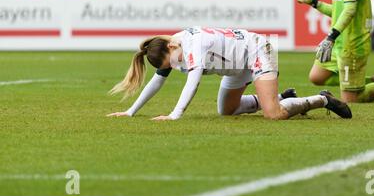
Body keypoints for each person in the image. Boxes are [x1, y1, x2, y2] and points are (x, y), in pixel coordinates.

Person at [107, 26, 352, 120]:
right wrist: (130, 112)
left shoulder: (194, 44)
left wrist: (174, 115)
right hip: (236, 65)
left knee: (273, 115)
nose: (173, 66)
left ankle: (322, 99)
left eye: (171, 62)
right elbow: (156, 81)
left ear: (171, 47)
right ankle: (281, 97)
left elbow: (193, 83)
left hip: (257, 50)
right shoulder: (170, 48)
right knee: (226, 111)